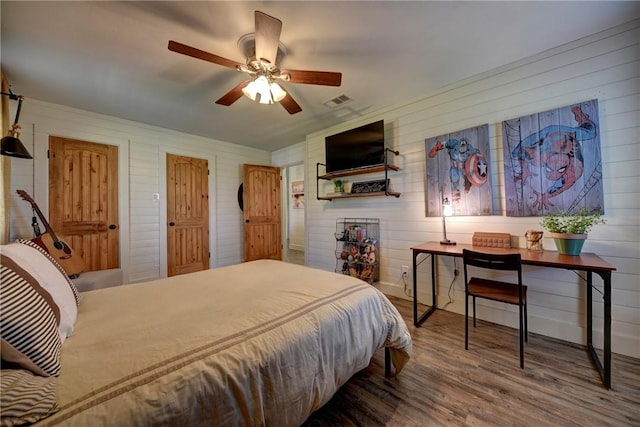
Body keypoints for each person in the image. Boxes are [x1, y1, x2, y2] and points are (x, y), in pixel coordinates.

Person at [510, 106, 596, 210]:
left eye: (549, 168)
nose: (556, 164)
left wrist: (525, 170)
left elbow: (521, 152)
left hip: (546, 137)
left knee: (515, 152)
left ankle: (579, 120)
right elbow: (562, 186)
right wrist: (546, 195)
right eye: (560, 169)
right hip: (565, 138)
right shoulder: (574, 171)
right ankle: (582, 117)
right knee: (591, 132)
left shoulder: (540, 158)